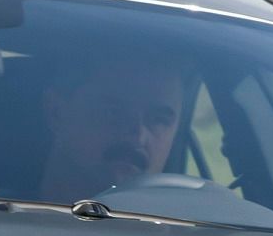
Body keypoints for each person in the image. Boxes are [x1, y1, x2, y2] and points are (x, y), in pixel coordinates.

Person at [36, 50, 193, 203]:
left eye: (158, 120)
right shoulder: (11, 224)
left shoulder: (196, 225)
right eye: (113, 113)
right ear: (56, 113)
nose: (138, 137)